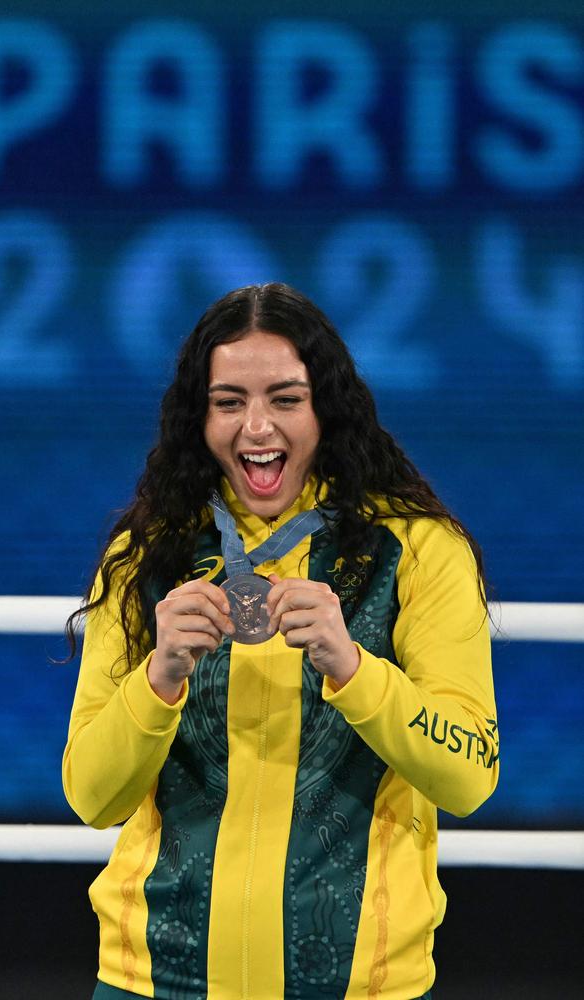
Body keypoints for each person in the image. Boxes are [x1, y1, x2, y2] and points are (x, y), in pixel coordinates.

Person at [62, 282, 499, 1000]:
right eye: (229, 401)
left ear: (326, 408)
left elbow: (469, 776)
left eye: (286, 400)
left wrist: (355, 670)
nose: (257, 428)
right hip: (153, 981)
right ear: (197, 417)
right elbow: (90, 796)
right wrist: (158, 679)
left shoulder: (420, 552)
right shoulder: (147, 556)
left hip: (361, 985)